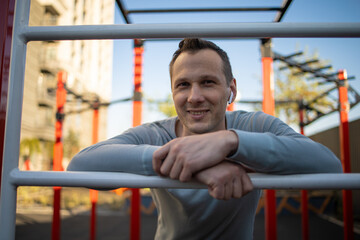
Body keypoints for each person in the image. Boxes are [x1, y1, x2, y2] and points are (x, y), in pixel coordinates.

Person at [67, 38, 342, 239]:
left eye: (208, 82)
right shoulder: (156, 133)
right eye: (183, 85)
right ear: (173, 92)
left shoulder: (253, 125)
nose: (194, 96)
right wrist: (193, 162)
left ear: (230, 90)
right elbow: (80, 167)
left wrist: (230, 143)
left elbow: (329, 166)